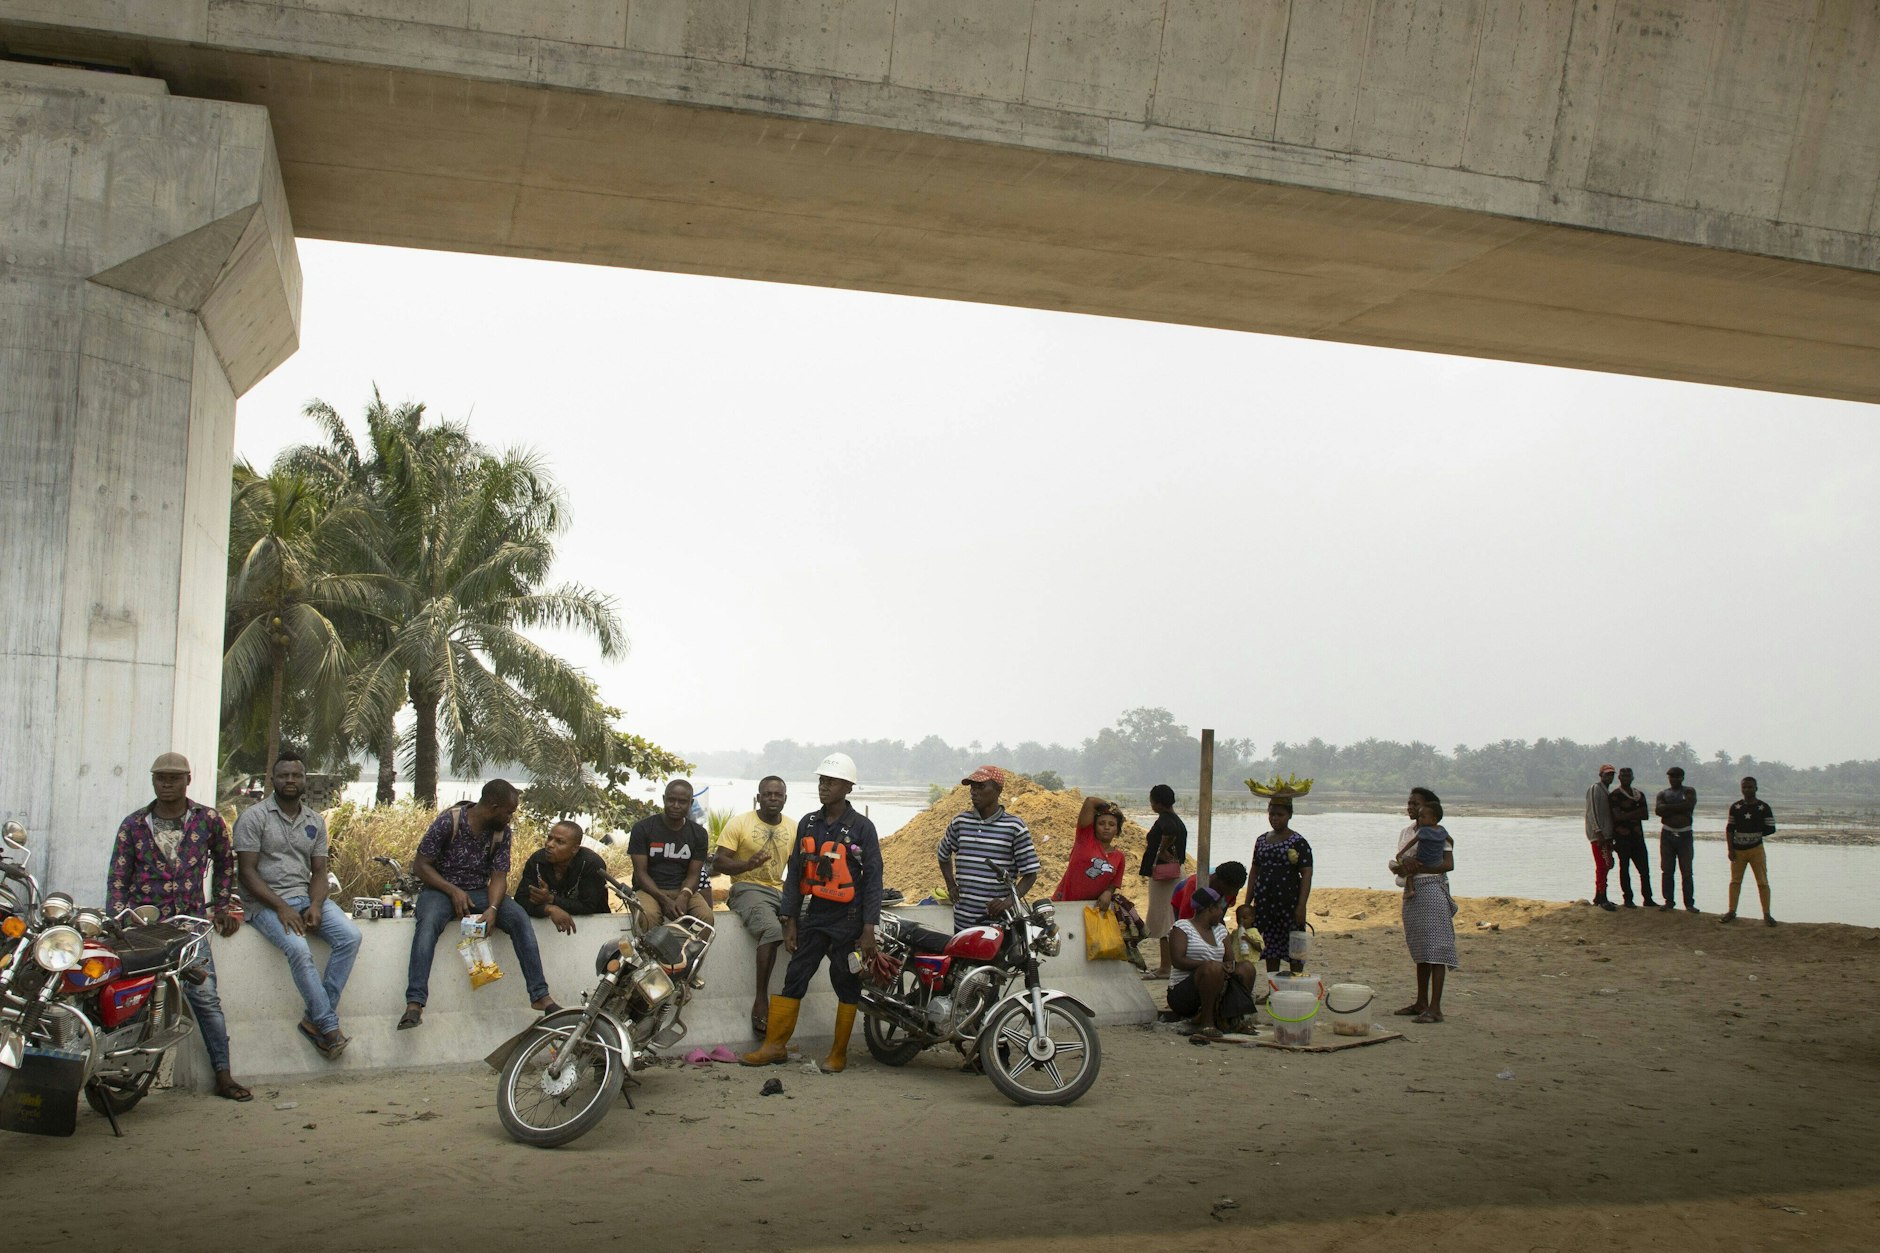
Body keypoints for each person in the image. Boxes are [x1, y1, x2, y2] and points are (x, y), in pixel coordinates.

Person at [106, 752, 250, 1101]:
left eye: (174, 778)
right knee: (132, 1000)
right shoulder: (134, 824)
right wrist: (117, 920)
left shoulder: (208, 820)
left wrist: (221, 905)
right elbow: (117, 877)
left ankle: (224, 1075)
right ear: (153, 780)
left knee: (205, 997)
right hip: (143, 927)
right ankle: (116, 1073)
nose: (166, 783)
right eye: (160, 778)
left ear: (188, 779)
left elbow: (225, 861)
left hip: (190, 925)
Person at [742, 752, 882, 1073]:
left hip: (850, 918)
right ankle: (774, 1046)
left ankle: (838, 1053)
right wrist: (789, 920)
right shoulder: (808, 823)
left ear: (847, 787)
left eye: (831, 782)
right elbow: (795, 875)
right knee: (795, 976)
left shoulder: (862, 829)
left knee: (844, 980)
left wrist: (868, 928)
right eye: (821, 781)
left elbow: (874, 880)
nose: (824, 787)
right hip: (815, 914)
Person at [399, 779, 559, 1029]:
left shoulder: (501, 833)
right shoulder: (449, 821)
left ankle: (540, 996)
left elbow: (498, 877)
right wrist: (453, 891)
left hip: (480, 891)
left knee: (517, 917)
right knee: (428, 923)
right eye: (509, 812)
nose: (510, 818)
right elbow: (421, 866)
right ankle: (414, 1003)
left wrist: (493, 909)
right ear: (493, 807)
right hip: (440, 889)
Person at [233, 751, 362, 1060]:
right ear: (273, 780)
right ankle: (328, 1027)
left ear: (305, 780)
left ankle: (313, 1019)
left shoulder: (314, 821)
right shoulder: (254, 817)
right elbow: (247, 873)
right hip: (264, 904)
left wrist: (316, 904)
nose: (290, 780)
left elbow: (319, 872)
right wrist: (282, 908)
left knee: (350, 937)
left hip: (305, 896)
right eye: (284, 775)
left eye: (297, 775)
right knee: (299, 949)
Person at [714, 776, 793, 1036]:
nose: (772, 798)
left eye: (777, 795)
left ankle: (792, 1001)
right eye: (767, 794)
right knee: (772, 931)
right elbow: (719, 863)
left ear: (785, 798)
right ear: (758, 797)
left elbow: (798, 870)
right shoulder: (740, 823)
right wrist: (747, 865)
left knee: (820, 922)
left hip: (780, 890)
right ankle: (761, 999)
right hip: (746, 888)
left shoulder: (793, 827)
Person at [936, 766, 1039, 933]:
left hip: (998, 925)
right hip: (963, 922)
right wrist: (951, 885)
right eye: (972, 787)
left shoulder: (1014, 827)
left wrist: (1007, 902)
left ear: (998, 790)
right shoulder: (960, 822)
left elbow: (1030, 874)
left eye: (981, 787)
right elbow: (942, 854)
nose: (974, 792)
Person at [1389, 791, 1458, 1023]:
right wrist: (1402, 867)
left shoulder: (1440, 836)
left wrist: (1419, 868)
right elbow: (1399, 861)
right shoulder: (1408, 833)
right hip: (1412, 893)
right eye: (1410, 804)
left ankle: (1435, 1007)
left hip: (1431, 890)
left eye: (1417, 805)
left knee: (1436, 949)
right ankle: (1421, 1002)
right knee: (1421, 950)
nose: (1413, 810)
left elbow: (1448, 864)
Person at [1166, 886, 1256, 1040]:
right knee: (1211, 968)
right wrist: (1208, 964)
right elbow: (1178, 961)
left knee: (1246, 967)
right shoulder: (1182, 927)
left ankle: (1237, 1018)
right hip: (1185, 993)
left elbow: (1230, 959)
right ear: (1210, 909)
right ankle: (1207, 1022)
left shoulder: (1220, 930)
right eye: (1220, 908)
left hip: (1215, 982)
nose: (1222, 912)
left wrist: (1228, 966)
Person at [626, 779, 712, 925]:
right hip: (649, 890)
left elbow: (694, 874)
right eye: (671, 800)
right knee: (649, 916)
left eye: (682, 802)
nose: (676, 805)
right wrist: (664, 900)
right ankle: (651, 949)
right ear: (664, 799)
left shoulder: (699, 834)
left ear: (690, 804)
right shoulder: (643, 828)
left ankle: (687, 948)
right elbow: (641, 874)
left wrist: (684, 896)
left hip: (682, 890)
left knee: (705, 918)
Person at [1247, 794, 1313, 973]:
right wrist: (1247, 902)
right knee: (1270, 948)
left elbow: (1306, 874)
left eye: (1280, 815)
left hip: (1289, 903)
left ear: (1289, 815)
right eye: (1272, 814)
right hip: (1265, 903)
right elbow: (1254, 871)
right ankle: (1272, 990)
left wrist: (1301, 906)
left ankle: (1296, 988)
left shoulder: (1298, 842)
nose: (1275, 818)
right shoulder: (1261, 840)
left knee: (1295, 946)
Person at [515, 819, 609, 933]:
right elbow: (521, 899)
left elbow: (588, 906)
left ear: (574, 849)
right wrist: (549, 909)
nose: (549, 844)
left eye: (559, 842)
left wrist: (550, 899)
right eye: (549, 838)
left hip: (595, 929)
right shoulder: (538, 860)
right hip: (546, 932)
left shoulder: (591, 864)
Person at [1139, 783, 1186, 979]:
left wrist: (1162, 851)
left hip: (1164, 876)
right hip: (1174, 873)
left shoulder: (1166, 820)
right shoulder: (1177, 819)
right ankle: (1169, 965)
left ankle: (1165, 967)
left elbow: (1169, 831)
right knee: (1169, 919)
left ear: (1157, 803)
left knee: (1165, 920)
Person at [1723, 776, 1777, 926]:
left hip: (1756, 849)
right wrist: (1730, 849)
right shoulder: (1735, 807)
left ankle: (1767, 914)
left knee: (1762, 882)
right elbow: (1729, 829)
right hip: (1738, 850)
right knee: (1735, 882)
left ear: (1756, 788)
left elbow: (1771, 828)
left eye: (1750, 787)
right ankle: (1731, 911)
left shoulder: (1763, 807)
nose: (1747, 790)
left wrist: (1754, 831)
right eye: (1744, 787)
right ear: (1741, 789)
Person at [1609, 767, 1656, 908]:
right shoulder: (1615, 795)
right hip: (1622, 837)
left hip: (1637, 837)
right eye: (1623, 775)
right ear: (1619, 778)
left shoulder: (1639, 794)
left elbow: (1645, 815)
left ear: (1632, 777)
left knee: (1644, 870)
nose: (1626, 777)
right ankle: (1628, 899)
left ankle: (1648, 899)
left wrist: (1626, 814)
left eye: (1628, 775)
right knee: (1624, 868)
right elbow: (1617, 816)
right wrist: (1635, 813)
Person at [1655, 766, 1699, 912]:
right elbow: (1658, 810)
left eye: (1676, 776)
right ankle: (1669, 901)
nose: (1673, 779)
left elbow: (1689, 805)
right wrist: (1678, 808)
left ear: (1682, 777)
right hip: (1667, 834)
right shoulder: (1663, 793)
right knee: (1667, 869)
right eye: (1671, 777)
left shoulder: (1689, 791)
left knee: (1686, 871)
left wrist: (1668, 808)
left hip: (1685, 834)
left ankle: (1689, 904)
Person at [1584, 764, 1618, 911]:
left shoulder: (1606, 791)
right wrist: (1598, 832)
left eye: (1611, 775)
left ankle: (1599, 895)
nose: (1609, 777)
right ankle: (1602, 897)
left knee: (1608, 864)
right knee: (1602, 865)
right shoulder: (1595, 789)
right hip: (1599, 835)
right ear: (1601, 775)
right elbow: (1592, 812)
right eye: (1607, 774)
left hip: (1606, 835)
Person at [1170, 861, 1247, 921]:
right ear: (1222, 883)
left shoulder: (1230, 888)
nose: (1235, 893)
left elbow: (1220, 917)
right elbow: (1185, 920)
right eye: (1235, 890)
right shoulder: (1195, 886)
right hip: (1182, 907)